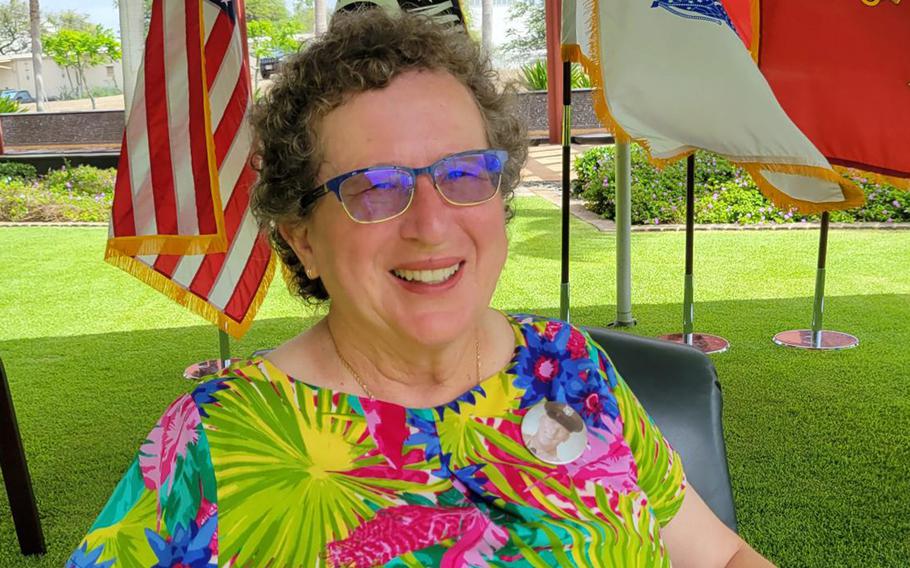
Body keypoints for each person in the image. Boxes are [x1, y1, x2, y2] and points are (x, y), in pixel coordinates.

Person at [68, 9, 775, 568]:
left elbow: (721, 555)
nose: (432, 226)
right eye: (375, 189)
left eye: (464, 173)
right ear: (301, 237)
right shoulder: (216, 442)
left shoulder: (566, 365)